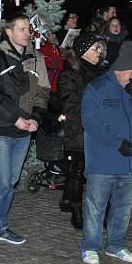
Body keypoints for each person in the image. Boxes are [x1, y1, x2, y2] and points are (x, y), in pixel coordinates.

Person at [79, 41, 132, 264]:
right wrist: (116, 143)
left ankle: (116, 245)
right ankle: (90, 246)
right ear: (117, 70)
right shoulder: (97, 88)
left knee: (124, 208)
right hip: (104, 161)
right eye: (130, 72)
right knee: (96, 207)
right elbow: (90, 122)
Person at [0, 14, 50, 249]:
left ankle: (2, 226)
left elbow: (42, 93)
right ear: (9, 32)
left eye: (28, 29)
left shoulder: (36, 58)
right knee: (2, 183)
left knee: (11, 180)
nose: (27, 32)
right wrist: (15, 118)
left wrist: (36, 118)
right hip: (3, 128)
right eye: (21, 29)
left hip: (25, 129)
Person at [57, 33, 107, 229]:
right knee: (77, 172)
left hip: (101, 132)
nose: (100, 52)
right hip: (79, 130)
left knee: (101, 175)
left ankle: (99, 210)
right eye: (96, 48)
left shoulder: (104, 73)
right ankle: (76, 210)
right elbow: (70, 105)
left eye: (101, 48)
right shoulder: (70, 74)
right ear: (83, 51)